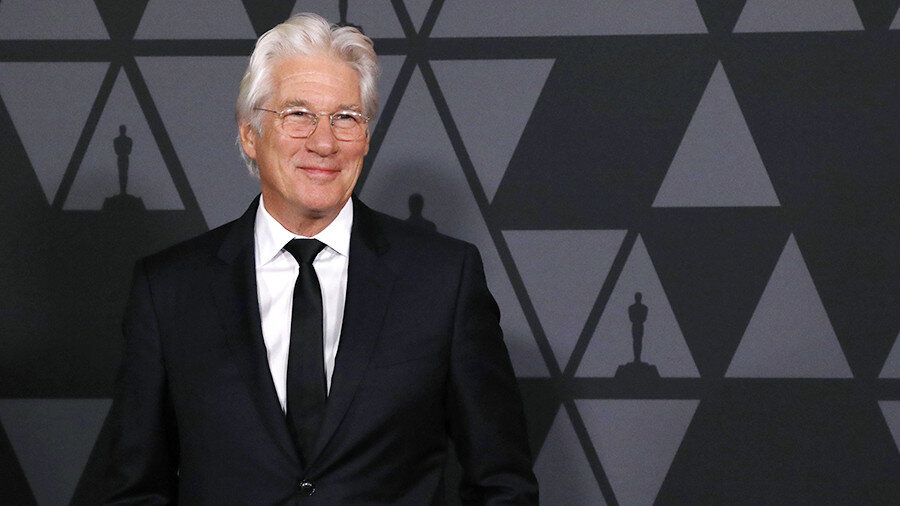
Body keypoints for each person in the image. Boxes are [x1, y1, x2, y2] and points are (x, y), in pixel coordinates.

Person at [102, 13, 537, 504]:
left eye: (345, 117)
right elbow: (135, 490)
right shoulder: (169, 290)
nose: (324, 142)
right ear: (249, 134)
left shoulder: (443, 281)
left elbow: (502, 483)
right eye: (298, 114)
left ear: (366, 137)